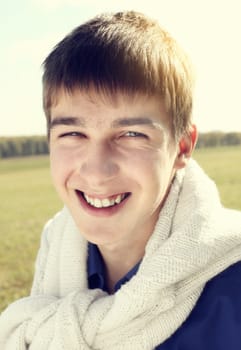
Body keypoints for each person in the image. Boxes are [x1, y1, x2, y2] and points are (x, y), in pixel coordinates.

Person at [0, 10, 241, 350]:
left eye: (131, 134)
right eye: (73, 133)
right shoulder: (57, 249)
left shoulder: (233, 286)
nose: (97, 171)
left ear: (183, 146)